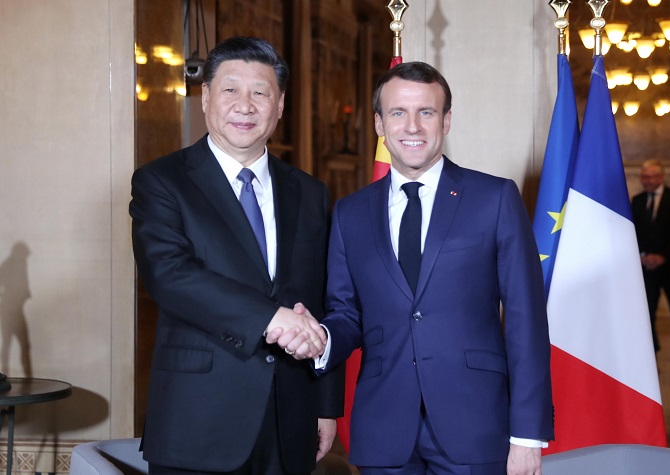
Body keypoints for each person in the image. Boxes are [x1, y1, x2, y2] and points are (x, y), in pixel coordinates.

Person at [270, 61, 554, 475]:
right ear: (379, 124)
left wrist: (527, 435)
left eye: (427, 112)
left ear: (447, 120)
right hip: (384, 430)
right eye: (398, 113)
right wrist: (322, 339)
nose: (413, 126)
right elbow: (346, 313)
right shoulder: (350, 213)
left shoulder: (494, 198)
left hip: (476, 426)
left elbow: (526, 320)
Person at [129, 36, 343, 475]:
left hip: (290, 417)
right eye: (230, 89)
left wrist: (325, 404)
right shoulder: (162, 181)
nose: (245, 106)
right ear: (206, 96)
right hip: (199, 418)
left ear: (279, 105)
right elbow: (171, 277)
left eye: (260, 93)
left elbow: (325, 298)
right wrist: (270, 317)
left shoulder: (309, 192)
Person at [631, 159, 670, 353]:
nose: (647, 180)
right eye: (644, 177)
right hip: (646, 267)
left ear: (660, 177)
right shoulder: (637, 200)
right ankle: (651, 353)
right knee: (646, 312)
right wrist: (642, 255)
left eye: (651, 177)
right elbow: (634, 232)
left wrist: (662, 256)